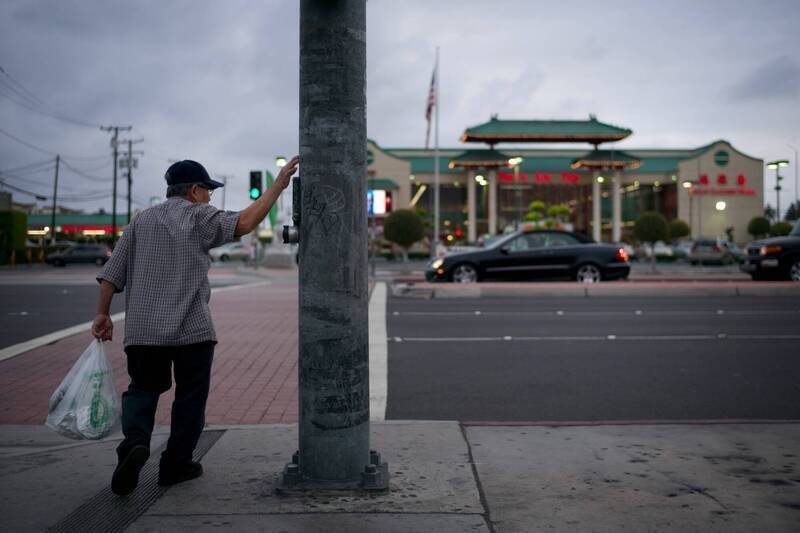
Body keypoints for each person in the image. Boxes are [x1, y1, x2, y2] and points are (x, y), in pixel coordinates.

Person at [92, 156, 299, 496]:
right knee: (190, 397)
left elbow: (111, 274)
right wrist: (277, 186)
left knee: (142, 388)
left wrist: (101, 314)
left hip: (143, 330)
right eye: (208, 191)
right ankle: (176, 464)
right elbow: (245, 223)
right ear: (194, 190)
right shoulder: (199, 216)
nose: (210, 197)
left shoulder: (140, 222)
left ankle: (135, 442)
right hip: (191, 330)